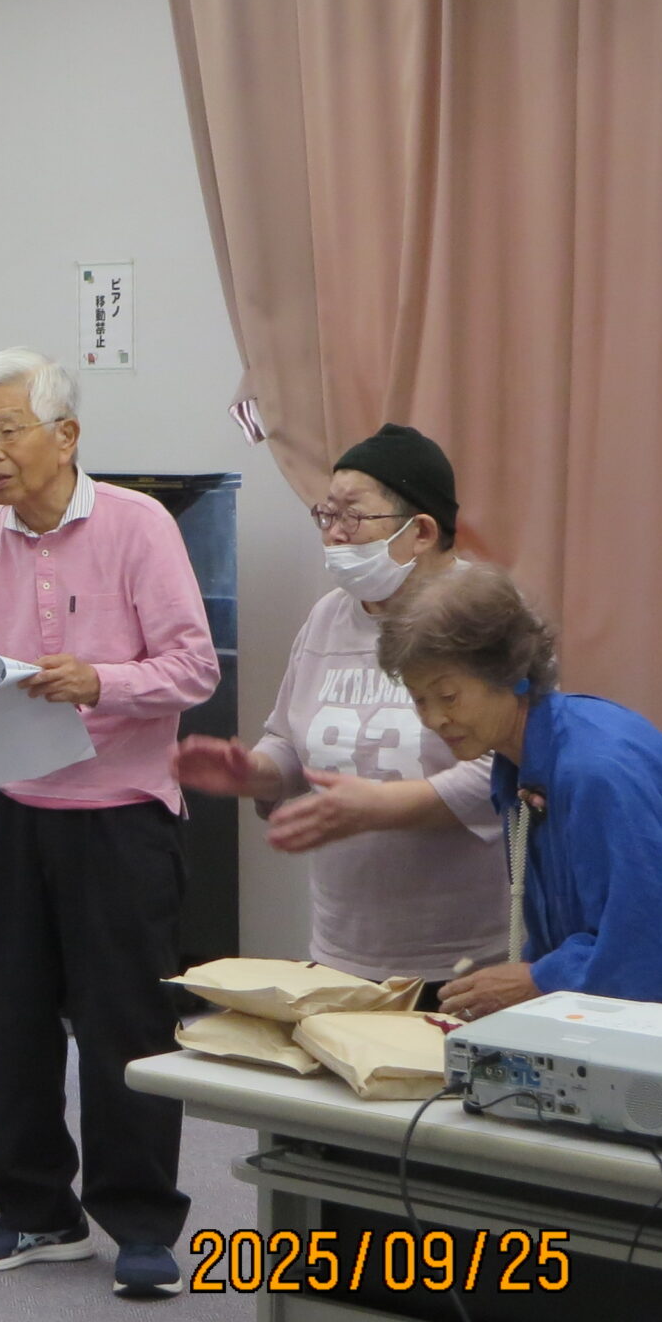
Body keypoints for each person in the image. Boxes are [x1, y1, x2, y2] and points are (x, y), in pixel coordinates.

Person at [0, 347, 217, 1300]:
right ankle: (37, 1211)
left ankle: (143, 1221)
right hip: (12, 811)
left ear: (66, 436)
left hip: (120, 816)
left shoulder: (138, 525)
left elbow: (195, 667)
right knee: (15, 1022)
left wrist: (100, 681)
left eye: (7, 431)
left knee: (126, 1024)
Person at [176, 426, 506, 1002]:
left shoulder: (487, 615)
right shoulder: (328, 617)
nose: (333, 534)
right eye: (326, 515)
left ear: (421, 531)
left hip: (465, 956)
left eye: (352, 516)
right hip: (342, 946)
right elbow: (289, 740)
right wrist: (255, 772)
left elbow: (510, 769)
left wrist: (384, 806)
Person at [374, 565, 662, 1020]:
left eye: (447, 696)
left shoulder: (594, 768)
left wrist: (538, 981)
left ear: (507, 671)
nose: (433, 719)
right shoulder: (521, 763)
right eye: (419, 700)